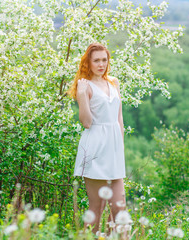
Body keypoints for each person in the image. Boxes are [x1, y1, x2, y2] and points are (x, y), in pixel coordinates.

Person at [67, 43, 126, 232]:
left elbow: (119, 119)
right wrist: (82, 95)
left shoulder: (114, 82)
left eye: (104, 60)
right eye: (96, 60)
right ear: (88, 63)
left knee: (119, 206)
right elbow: (86, 122)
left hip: (114, 149)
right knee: (96, 209)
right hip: (95, 148)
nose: (101, 64)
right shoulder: (85, 86)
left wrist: (120, 150)